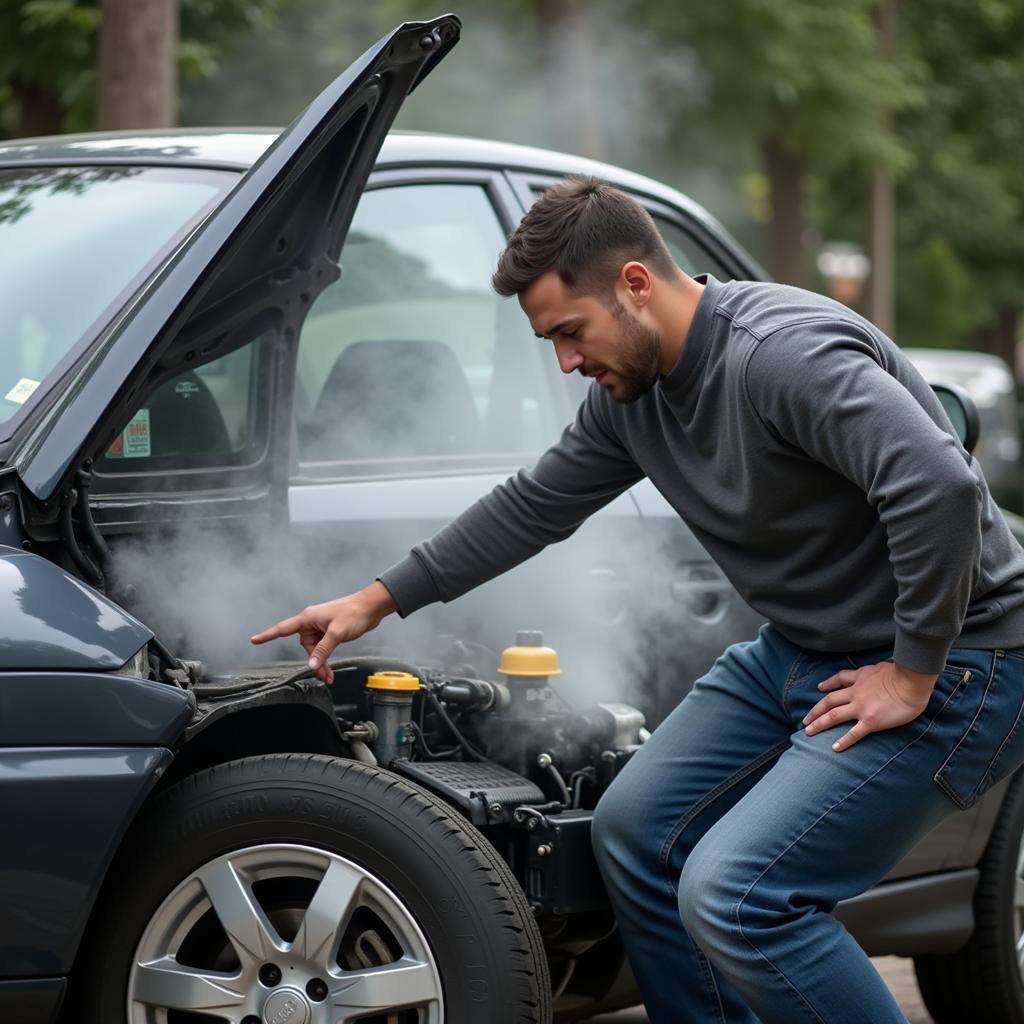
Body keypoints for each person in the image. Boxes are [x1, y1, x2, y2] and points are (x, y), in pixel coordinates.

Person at [251, 176, 1024, 1024]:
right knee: (634, 833)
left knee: (741, 895)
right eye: (551, 341)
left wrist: (911, 673)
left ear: (634, 284)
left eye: (570, 332)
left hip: (962, 660)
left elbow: (940, 488)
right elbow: (533, 504)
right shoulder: (634, 401)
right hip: (803, 648)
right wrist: (376, 600)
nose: (567, 361)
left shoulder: (781, 357)